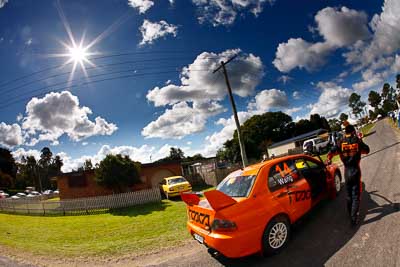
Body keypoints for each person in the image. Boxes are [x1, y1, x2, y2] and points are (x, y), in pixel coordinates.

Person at [327, 123, 370, 226]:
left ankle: (350, 213)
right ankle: (353, 218)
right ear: (353, 131)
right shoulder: (357, 141)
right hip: (355, 170)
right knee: (356, 195)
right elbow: (367, 150)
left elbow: (331, 153)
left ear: (345, 132)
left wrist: (329, 159)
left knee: (349, 195)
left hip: (347, 171)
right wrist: (360, 140)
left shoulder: (340, 142)